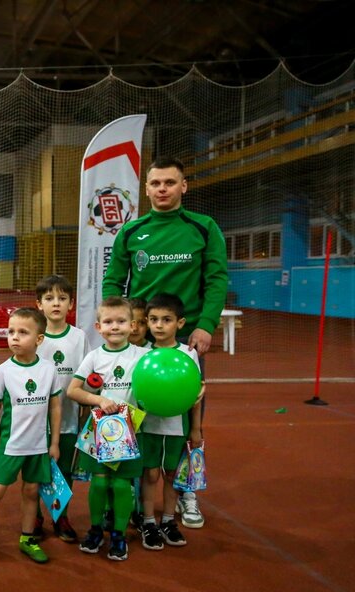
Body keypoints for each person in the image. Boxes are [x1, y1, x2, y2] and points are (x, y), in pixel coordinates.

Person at [102, 157, 227, 528]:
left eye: (170, 182)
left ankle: (187, 492)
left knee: (188, 419)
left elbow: (217, 280)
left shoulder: (203, 227)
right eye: (155, 183)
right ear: (146, 189)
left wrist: (206, 325)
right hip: (140, 341)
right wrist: (119, 324)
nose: (162, 189)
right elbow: (113, 282)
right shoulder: (132, 231)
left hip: (186, 340)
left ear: (183, 186)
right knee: (134, 416)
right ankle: (132, 491)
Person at [0, 308, 62, 565]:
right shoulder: (4, 371)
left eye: (22, 332)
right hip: (11, 446)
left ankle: (27, 538)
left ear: (39, 339)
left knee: (31, 491)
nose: (14, 337)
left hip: (39, 446)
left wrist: (54, 443)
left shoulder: (49, 370)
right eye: (11, 331)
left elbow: (55, 407)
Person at [67, 296, 148, 561]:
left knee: (122, 485)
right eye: (109, 322)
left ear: (132, 325)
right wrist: (99, 400)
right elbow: (73, 390)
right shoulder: (94, 356)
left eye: (121, 321)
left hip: (130, 431)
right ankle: (95, 530)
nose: (115, 327)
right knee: (99, 483)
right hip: (100, 430)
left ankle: (118, 534)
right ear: (98, 327)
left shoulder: (144, 357)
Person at [138, 293, 203, 551]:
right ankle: (147, 521)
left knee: (172, 475)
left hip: (177, 428)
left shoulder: (188, 355)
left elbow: (195, 396)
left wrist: (195, 429)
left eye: (166, 319)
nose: (159, 325)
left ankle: (167, 520)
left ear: (180, 323)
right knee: (150, 473)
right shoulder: (141, 353)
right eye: (153, 319)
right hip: (148, 427)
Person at [34, 274, 90, 543]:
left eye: (62, 298)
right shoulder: (34, 336)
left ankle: (61, 516)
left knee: (65, 470)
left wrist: (85, 412)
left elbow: (87, 378)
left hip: (68, 419)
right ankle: (34, 516)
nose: (56, 303)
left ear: (71, 304)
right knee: (35, 470)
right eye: (49, 298)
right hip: (35, 421)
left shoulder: (79, 338)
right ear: (39, 304)